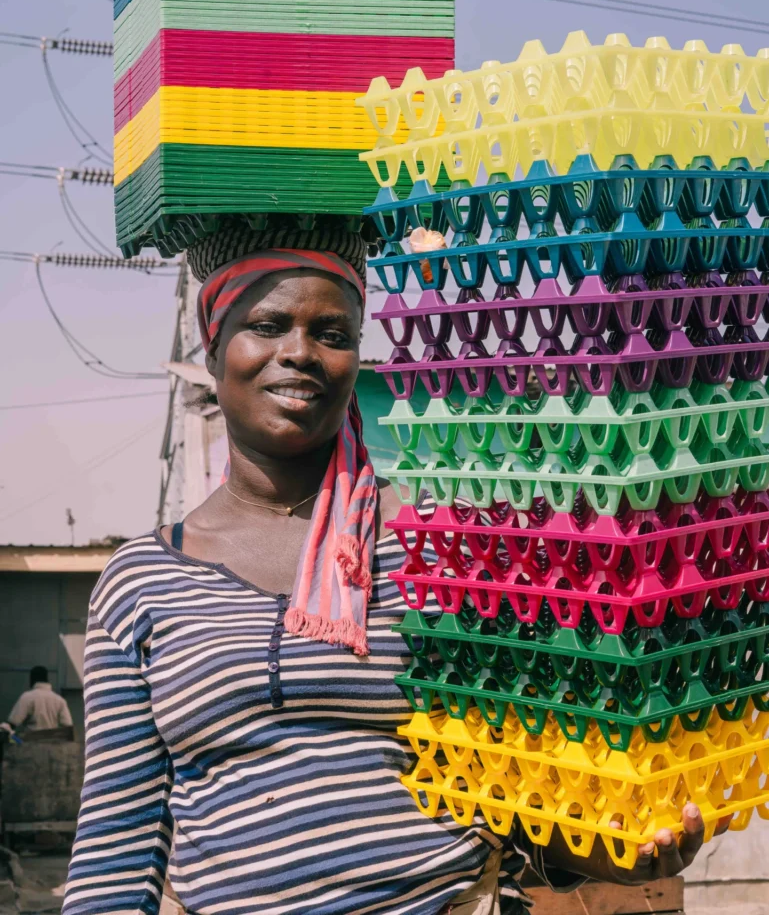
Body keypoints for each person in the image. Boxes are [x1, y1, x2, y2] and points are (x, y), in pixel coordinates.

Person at [62, 227, 710, 915]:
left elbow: (524, 803)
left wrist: (597, 848)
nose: (300, 353)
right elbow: (117, 842)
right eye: (267, 325)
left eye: (333, 334)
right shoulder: (143, 581)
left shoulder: (450, 552)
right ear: (213, 347)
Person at [5, 666, 73, 734]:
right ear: (47, 679)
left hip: (30, 741)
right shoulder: (60, 700)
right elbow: (68, 725)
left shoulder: (27, 697)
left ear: (32, 679)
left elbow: (13, 722)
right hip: (53, 742)